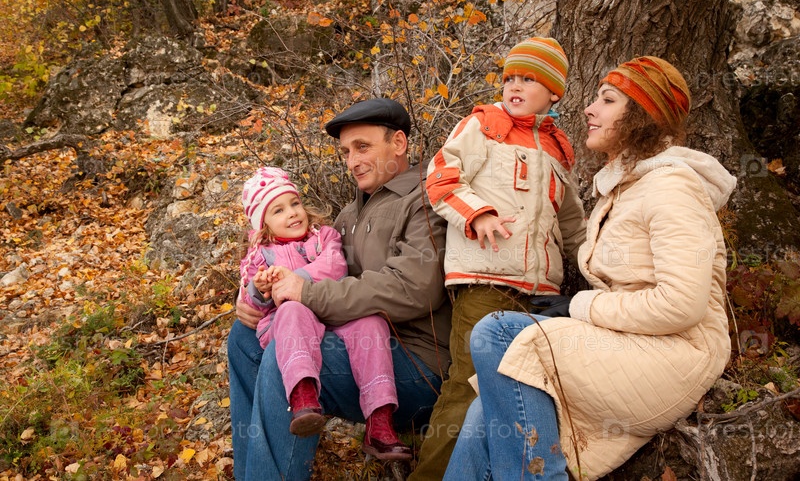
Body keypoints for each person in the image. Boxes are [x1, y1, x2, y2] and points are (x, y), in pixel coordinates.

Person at [443, 56, 737, 480]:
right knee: (484, 406)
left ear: (642, 115)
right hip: (632, 345)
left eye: (608, 100)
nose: (589, 109)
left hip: (678, 355)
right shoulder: (626, 189)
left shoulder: (672, 187)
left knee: (500, 333)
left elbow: (681, 305)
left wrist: (578, 306)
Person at [226, 98, 452, 480]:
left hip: (416, 362)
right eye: (346, 151)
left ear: (398, 143)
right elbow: (304, 259)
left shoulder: (424, 200)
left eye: (362, 147)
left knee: (284, 355)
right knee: (242, 339)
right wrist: (255, 292)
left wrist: (304, 292)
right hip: (360, 343)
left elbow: (415, 289)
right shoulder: (350, 214)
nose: (352, 161)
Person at [412, 36, 586, 479]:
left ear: (553, 93)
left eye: (529, 79)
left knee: (521, 392)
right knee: (468, 386)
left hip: (541, 295)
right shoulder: (483, 125)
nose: (515, 86)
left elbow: (570, 221)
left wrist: (594, 264)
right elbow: (442, 177)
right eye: (509, 78)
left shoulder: (559, 147)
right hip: (484, 281)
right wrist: (478, 213)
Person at [236, 166, 411, 459]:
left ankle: (380, 421)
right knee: (292, 309)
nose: (292, 213)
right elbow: (251, 304)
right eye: (278, 210)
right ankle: (303, 396)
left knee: (371, 322)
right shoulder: (260, 255)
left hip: (334, 311)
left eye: (294, 203)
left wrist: (296, 278)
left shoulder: (324, 237)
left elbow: (336, 267)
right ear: (263, 225)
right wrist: (258, 289)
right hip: (291, 322)